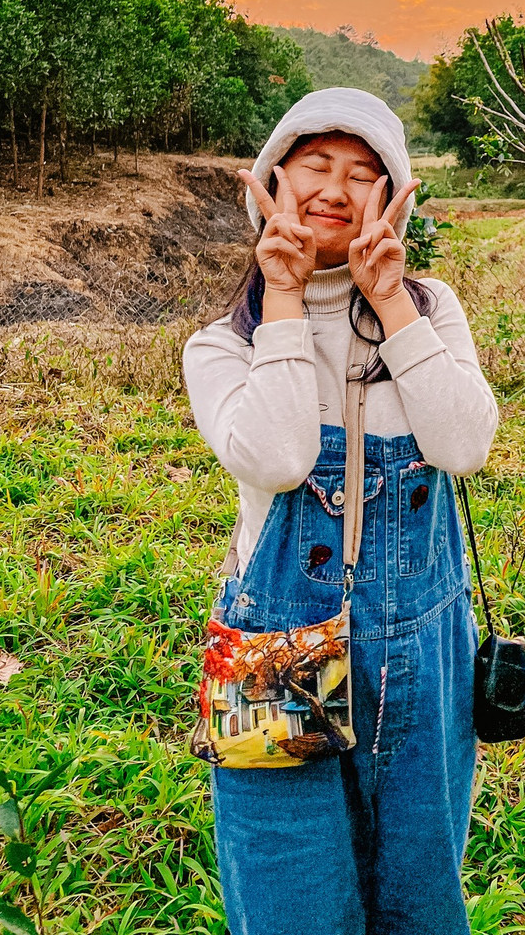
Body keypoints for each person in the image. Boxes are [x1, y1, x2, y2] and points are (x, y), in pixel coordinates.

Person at [183, 87, 498, 935]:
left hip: (425, 644)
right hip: (270, 648)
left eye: (364, 174)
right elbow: (281, 459)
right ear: (271, 181)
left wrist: (391, 300)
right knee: (292, 897)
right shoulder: (223, 343)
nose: (335, 189)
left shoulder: (429, 312)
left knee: (420, 895)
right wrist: (284, 297)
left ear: (393, 197)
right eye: (315, 166)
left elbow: (465, 445)